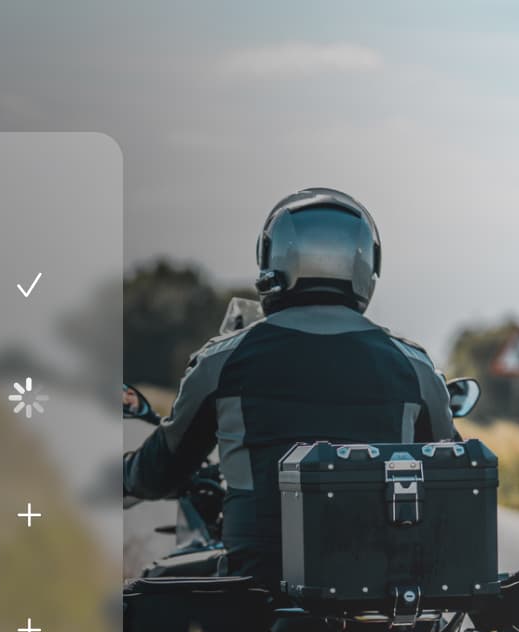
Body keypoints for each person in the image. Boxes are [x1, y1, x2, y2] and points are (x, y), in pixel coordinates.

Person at [123, 188, 457, 584]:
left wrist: (122, 475)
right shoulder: (414, 366)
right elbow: (452, 474)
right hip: (385, 590)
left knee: (142, 614)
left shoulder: (223, 360)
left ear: (273, 261)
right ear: (365, 266)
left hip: (257, 586)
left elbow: (162, 469)